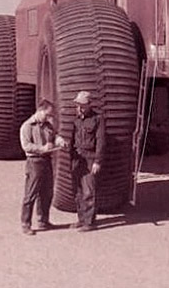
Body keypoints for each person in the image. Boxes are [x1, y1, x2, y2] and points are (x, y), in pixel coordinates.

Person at [19, 99, 67, 236]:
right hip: (34, 162)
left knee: (47, 192)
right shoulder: (27, 126)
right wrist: (42, 148)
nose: (49, 117)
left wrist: (60, 140)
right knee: (31, 193)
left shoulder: (47, 125)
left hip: (46, 161)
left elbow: (54, 136)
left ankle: (43, 220)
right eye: (47, 114)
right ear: (40, 111)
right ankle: (25, 223)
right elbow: (26, 146)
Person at [68, 91, 104, 232]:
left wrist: (97, 161)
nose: (79, 108)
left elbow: (101, 141)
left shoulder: (97, 119)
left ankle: (89, 223)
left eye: (82, 106)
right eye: (77, 105)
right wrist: (70, 158)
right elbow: (72, 140)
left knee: (89, 191)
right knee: (78, 191)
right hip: (77, 159)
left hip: (90, 158)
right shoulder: (76, 119)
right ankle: (81, 219)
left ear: (89, 105)